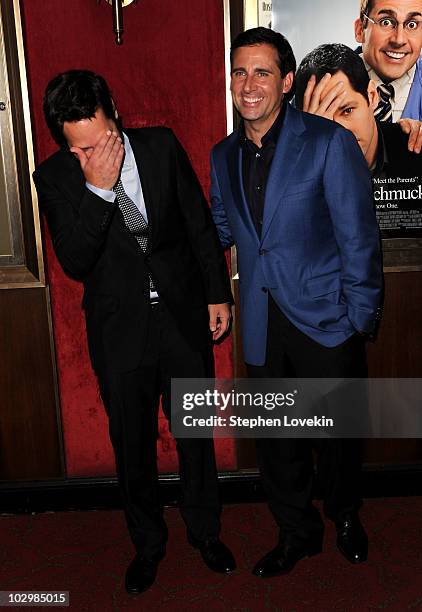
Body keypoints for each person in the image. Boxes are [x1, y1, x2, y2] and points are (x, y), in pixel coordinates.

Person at [33, 70, 235, 595]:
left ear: (115, 115)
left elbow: (197, 224)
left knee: (194, 436)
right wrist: (97, 188)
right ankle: (148, 544)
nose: (94, 155)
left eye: (100, 143)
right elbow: (76, 260)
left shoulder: (161, 146)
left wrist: (217, 293)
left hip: (182, 319)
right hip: (120, 332)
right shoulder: (54, 178)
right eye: (80, 150)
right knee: (133, 444)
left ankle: (205, 532)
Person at [210, 27, 383, 578]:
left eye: (262, 72)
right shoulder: (222, 156)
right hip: (262, 324)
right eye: (240, 72)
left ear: (286, 81)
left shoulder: (328, 141)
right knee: (278, 445)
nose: (249, 84)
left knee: (337, 440)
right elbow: (218, 230)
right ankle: (296, 533)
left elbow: (359, 236)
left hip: (327, 319)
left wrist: (358, 318)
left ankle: (346, 516)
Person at [295, 43, 422, 236]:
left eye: (347, 111)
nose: (339, 134)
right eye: (323, 122)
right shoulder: (291, 172)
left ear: (372, 97)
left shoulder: (414, 148)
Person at [355, 0, 422, 120]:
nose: (399, 40)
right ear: (360, 30)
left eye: (412, 24)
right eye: (386, 22)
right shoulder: (327, 83)